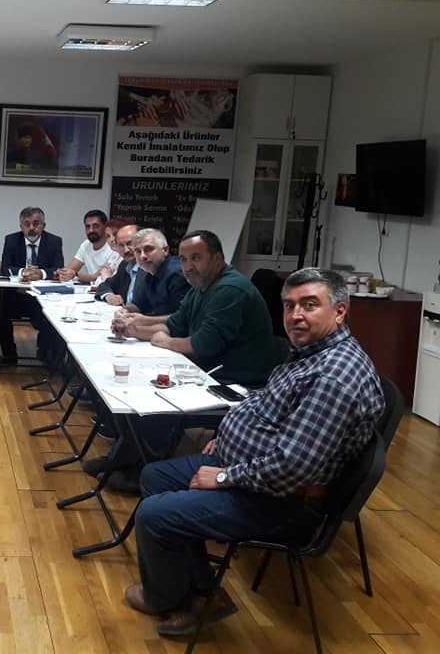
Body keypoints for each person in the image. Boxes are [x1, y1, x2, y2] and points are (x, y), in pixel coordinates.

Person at [124, 268, 384, 638]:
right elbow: (270, 406)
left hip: (283, 501)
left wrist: (225, 476)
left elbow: (293, 467)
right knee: (155, 476)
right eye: (289, 305)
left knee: (153, 514)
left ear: (339, 312)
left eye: (310, 305)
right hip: (254, 470)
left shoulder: (334, 377)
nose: (295, 315)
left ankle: (164, 598)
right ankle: (202, 591)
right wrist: (229, 435)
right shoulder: (312, 353)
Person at [113, 230, 278, 386]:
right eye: (183, 259)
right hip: (209, 373)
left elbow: (203, 345)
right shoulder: (201, 285)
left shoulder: (230, 289)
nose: (188, 267)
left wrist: (167, 342)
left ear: (217, 259)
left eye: (195, 258)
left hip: (235, 383)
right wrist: (132, 330)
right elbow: (173, 325)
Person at [0, 206, 63, 363]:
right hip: (17, 296)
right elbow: (5, 267)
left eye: (36, 223)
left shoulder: (54, 241)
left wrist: (41, 273)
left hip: (43, 298)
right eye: (27, 224)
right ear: (21, 226)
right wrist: (23, 273)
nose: (32, 228)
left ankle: (47, 353)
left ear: (43, 225)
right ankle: (9, 355)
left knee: (54, 316)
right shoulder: (11, 240)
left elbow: (58, 268)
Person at [122, 228, 190, 316]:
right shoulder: (149, 271)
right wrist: (123, 311)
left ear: (165, 250)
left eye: (148, 249)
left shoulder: (177, 274)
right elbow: (141, 306)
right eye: (138, 251)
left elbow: (182, 317)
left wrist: (143, 321)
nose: (142, 256)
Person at [56, 209, 121, 283]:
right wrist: (63, 273)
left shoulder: (114, 247)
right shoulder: (86, 245)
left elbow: (98, 277)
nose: (91, 230)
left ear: (105, 227)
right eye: (88, 226)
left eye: (95, 226)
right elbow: (70, 269)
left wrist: (75, 274)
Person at [95, 218, 140, 306]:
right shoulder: (125, 265)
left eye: (130, 243)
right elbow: (106, 285)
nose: (126, 250)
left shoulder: (151, 267)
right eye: (121, 245)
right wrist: (108, 295)